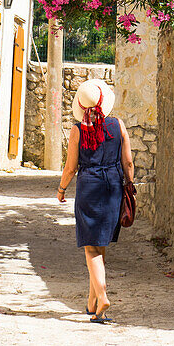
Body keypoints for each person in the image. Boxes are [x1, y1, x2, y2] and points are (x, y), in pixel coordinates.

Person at [56, 79, 134, 323]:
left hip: (89, 187)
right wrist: (129, 186)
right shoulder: (117, 125)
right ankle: (91, 303)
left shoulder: (78, 130)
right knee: (99, 247)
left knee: (91, 248)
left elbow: (70, 167)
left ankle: (102, 297)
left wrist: (61, 189)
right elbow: (128, 162)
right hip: (112, 186)